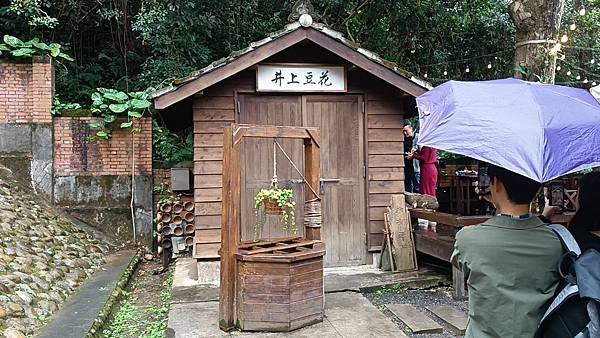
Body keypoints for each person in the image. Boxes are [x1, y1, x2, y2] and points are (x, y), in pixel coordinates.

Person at [451, 164, 563, 338]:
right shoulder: (557, 243)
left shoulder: (468, 239)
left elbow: (468, 260)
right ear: (537, 188)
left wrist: (497, 200)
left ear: (495, 183)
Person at [542, 171, 600, 252]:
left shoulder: (571, 241)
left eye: (578, 193)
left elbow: (538, 243)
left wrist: (544, 217)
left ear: (584, 199)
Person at [403, 122, 418, 193]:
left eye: (406, 130)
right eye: (403, 131)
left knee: (417, 187)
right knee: (408, 187)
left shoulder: (418, 138)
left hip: (416, 167)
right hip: (407, 167)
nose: (405, 133)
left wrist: (414, 154)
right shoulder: (403, 140)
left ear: (411, 129)